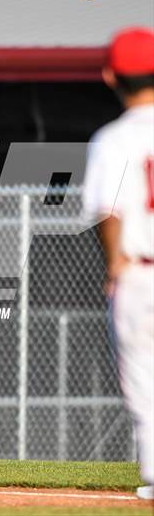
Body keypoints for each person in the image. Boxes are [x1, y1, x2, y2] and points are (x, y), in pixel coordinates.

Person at [82, 27, 154, 501]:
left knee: (144, 379)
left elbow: (109, 210)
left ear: (110, 76)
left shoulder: (112, 139)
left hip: (139, 271)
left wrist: (113, 265)